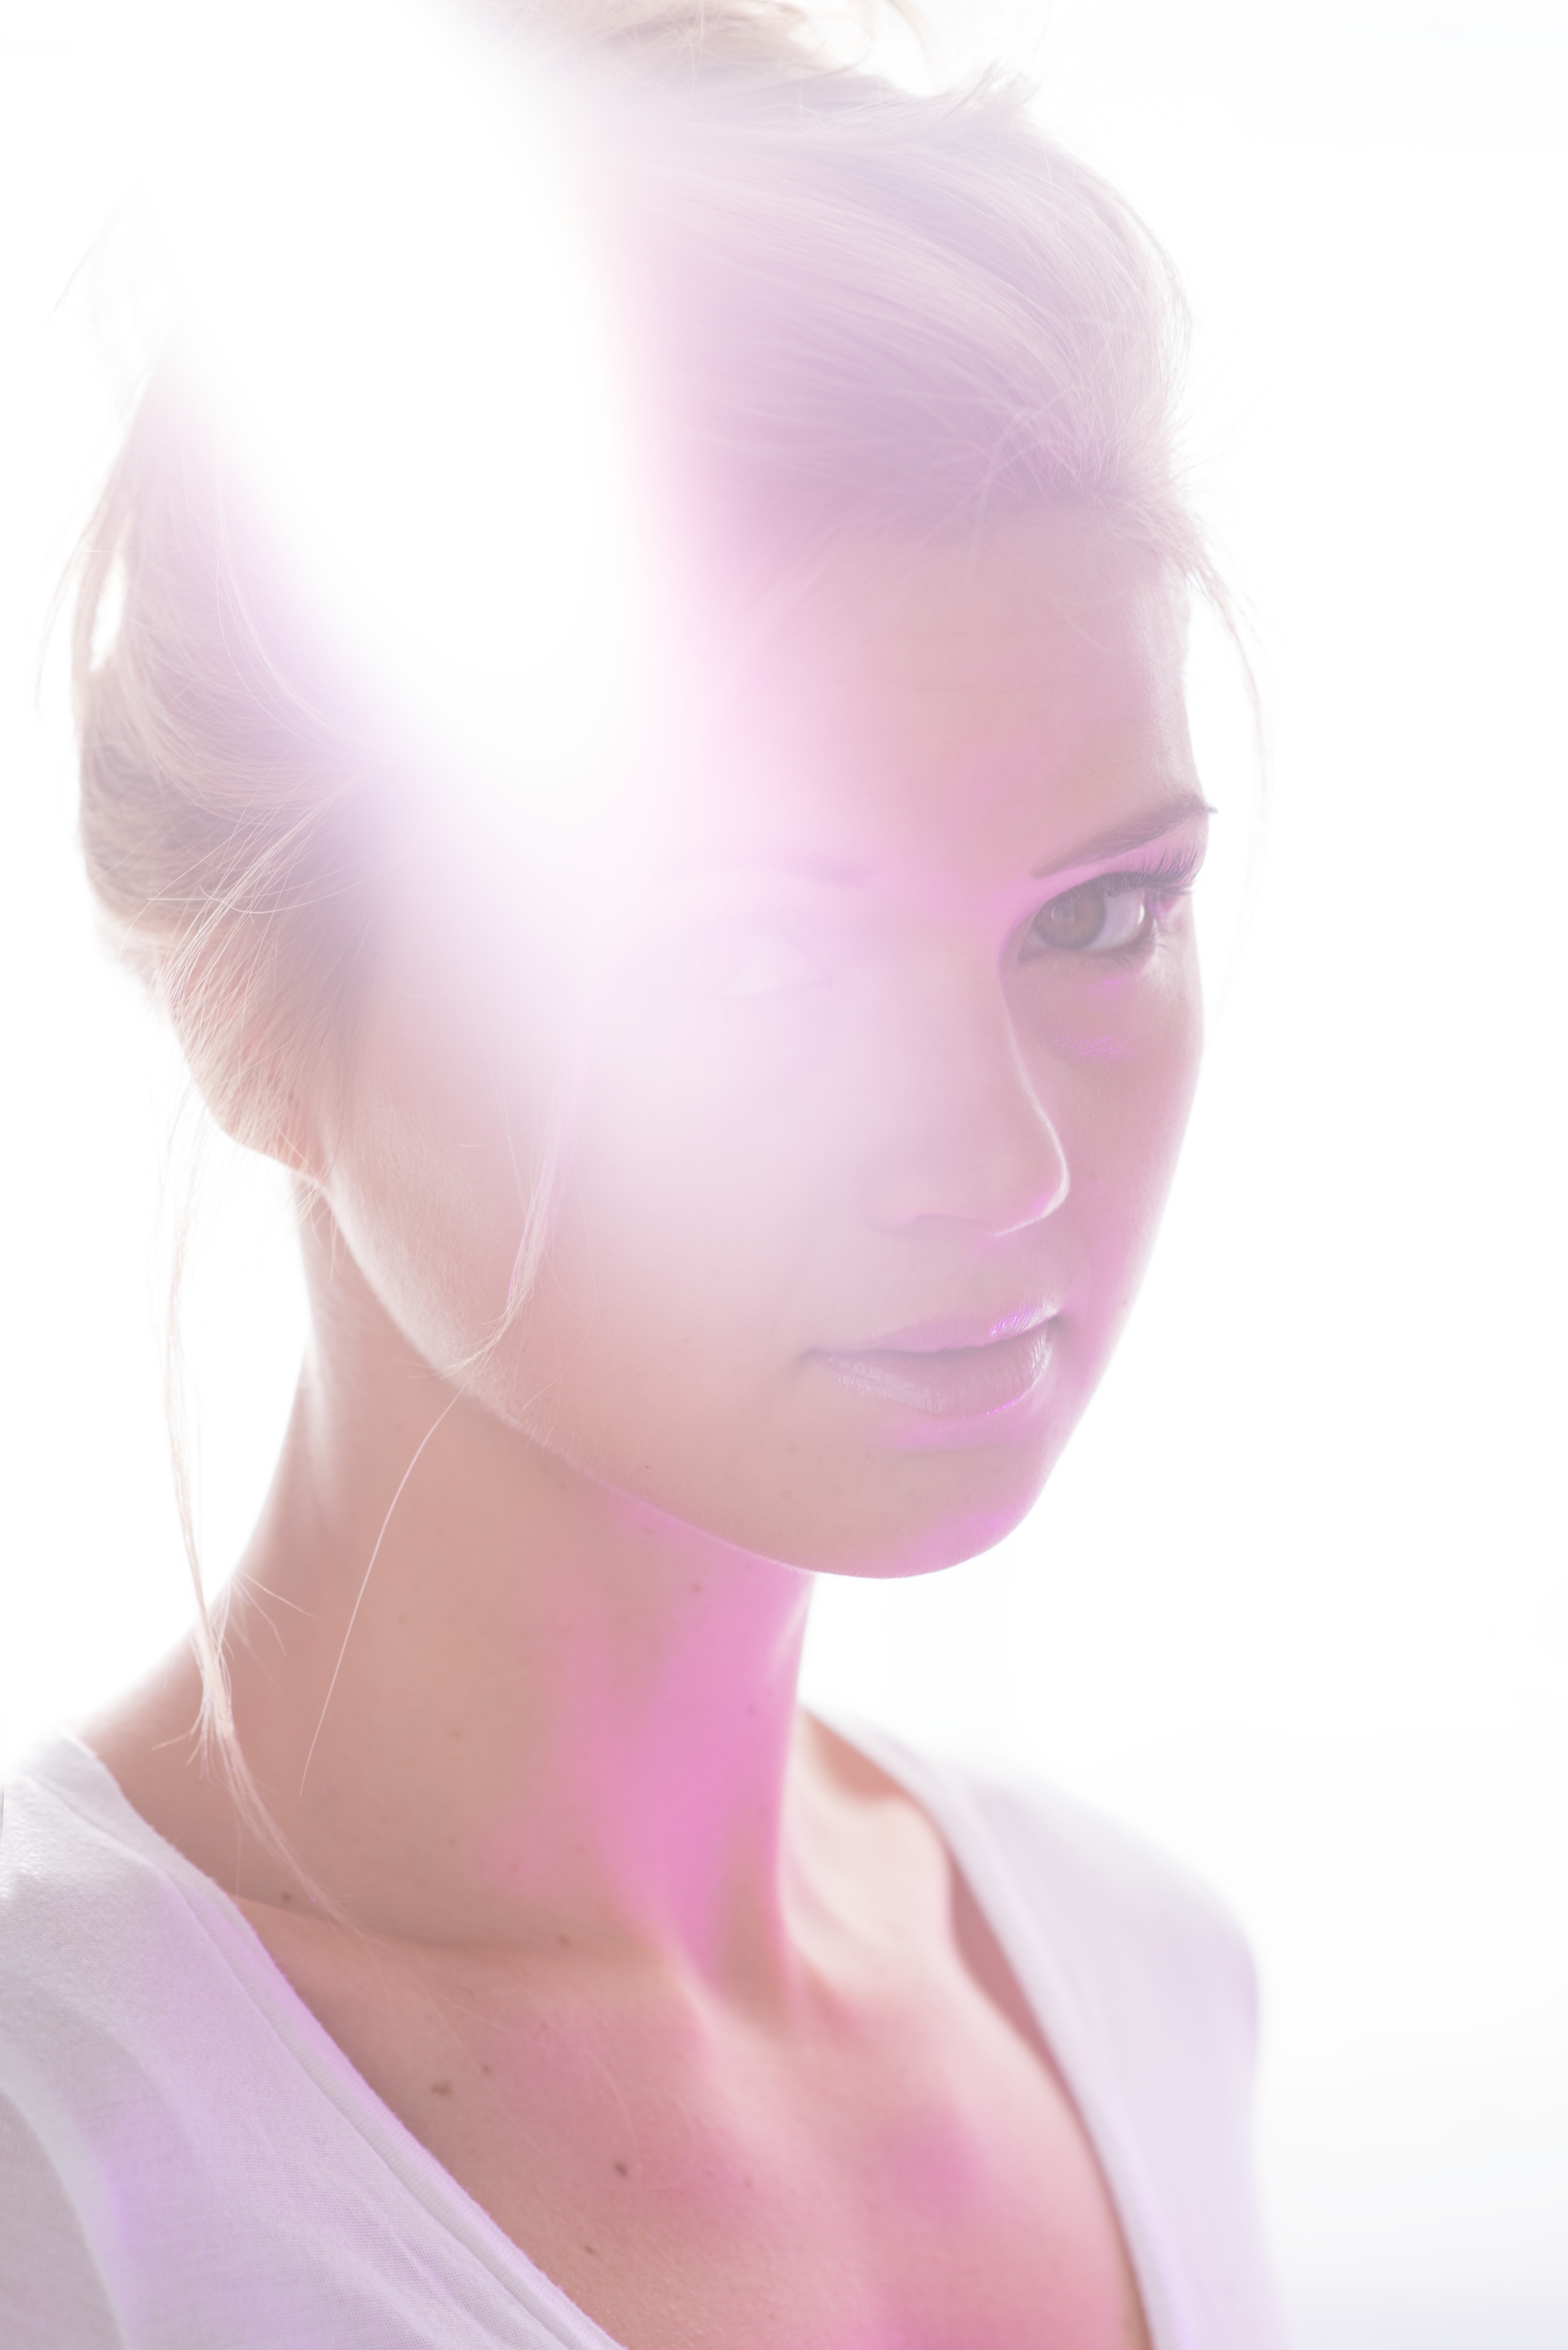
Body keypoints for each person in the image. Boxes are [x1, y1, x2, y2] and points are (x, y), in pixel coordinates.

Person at [1, 4, 1288, 2344]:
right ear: (245, 1000)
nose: (1002, 1165)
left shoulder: (1149, 1986)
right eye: (747, 959)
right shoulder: (51, 2153)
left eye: (1100, 917)